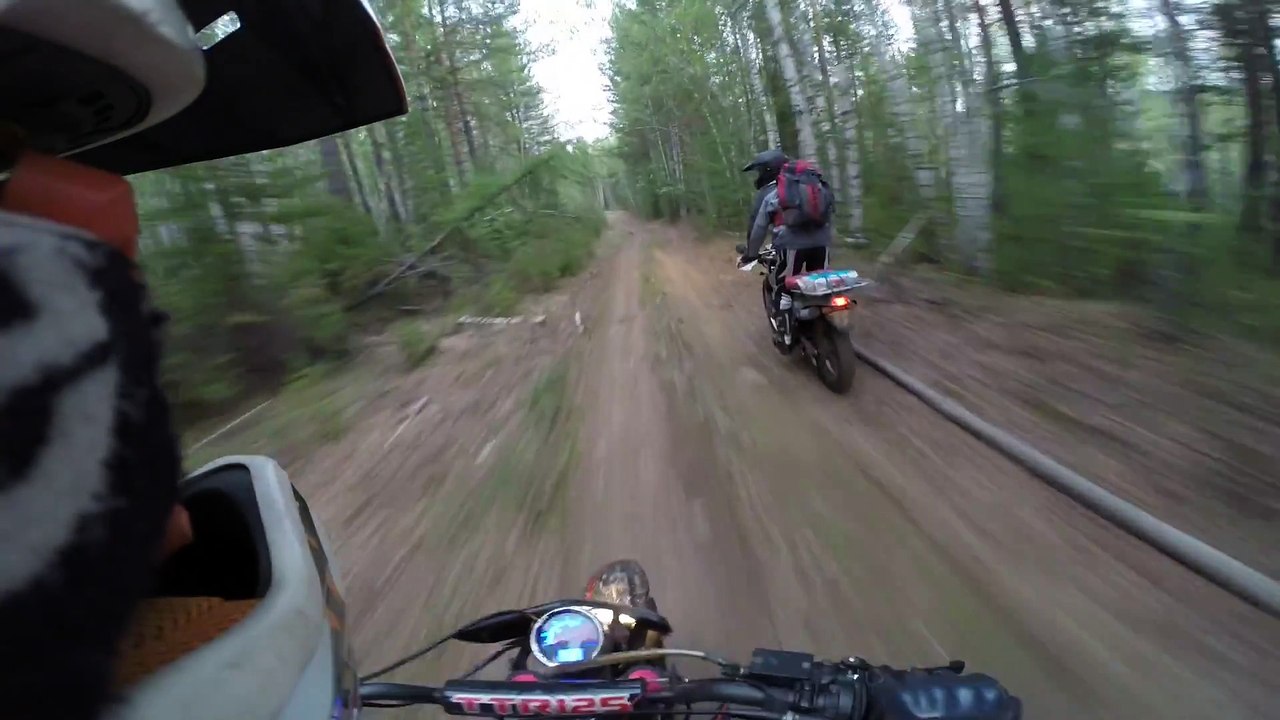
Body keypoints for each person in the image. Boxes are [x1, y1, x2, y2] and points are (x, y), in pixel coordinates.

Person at [0, 4, 1019, 719]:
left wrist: (755, 252)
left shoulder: (770, 189)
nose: (176, 526)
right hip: (816, 265)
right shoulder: (808, 182)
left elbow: (761, 229)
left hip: (792, 272)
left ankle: (797, 322)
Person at [738, 148, 834, 344]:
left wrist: (751, 254)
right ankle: (828, 322)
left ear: (767, 170)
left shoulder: (772, 195)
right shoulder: (814, 186)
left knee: (784, 288)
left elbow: (758, 229)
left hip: (791, 246)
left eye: (759, 171)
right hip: (822, 243)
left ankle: (786, 335)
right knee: (821, 283)